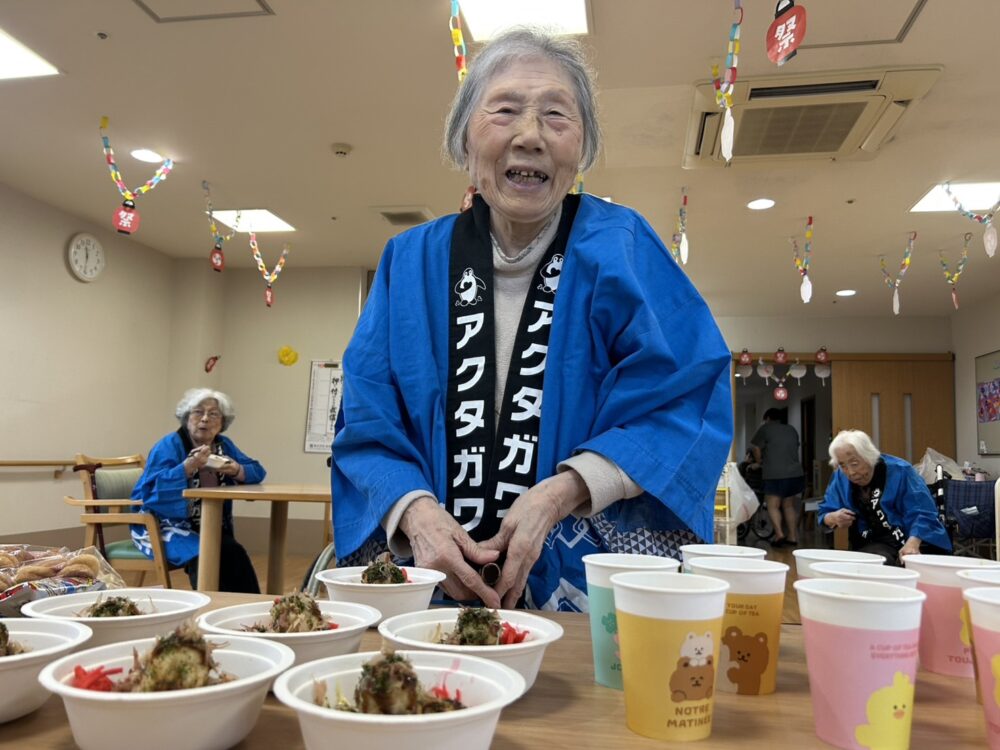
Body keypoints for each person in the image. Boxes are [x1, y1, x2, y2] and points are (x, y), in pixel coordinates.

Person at [330, 28, 732, 612]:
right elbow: (367, 419)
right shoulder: (410, 260)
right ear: (464, 141)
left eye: (555, 115)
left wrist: (562, 492)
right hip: (430, 581)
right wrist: (414, 512)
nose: (530, 135)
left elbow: (685, 396)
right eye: (506, 110)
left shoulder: (623, 247)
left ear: (583, 148)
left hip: (582, 579)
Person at [131, 388, 265, 592]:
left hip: (208, 525)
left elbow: (257, 471)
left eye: (213, 414)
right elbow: (151, 493)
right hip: (162, 525)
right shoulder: (168, 445)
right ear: (186, 417)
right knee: (203, 552)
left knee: (234, 551)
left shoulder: (224, 446)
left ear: (222, 423)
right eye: (198, 412)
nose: (205, 419)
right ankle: (208, 607)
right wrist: (187, 466)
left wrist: (235, 469)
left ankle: (246, 607)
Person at [818, 429, 952, 564]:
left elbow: (923, 511)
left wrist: (913, 542)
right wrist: (832, 517)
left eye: (854, 463)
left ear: (868, 456)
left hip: (916, 538)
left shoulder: (900, 471)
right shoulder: (840, 477)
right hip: (872, 544)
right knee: (868, 563)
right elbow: (825, 513)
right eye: (843, 465)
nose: (850, 472)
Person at [750, 408, 805, 548]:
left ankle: (779, 534)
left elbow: (756, 448)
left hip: (774, 474)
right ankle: (792, 536)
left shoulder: (765, 429)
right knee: (788, 505)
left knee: (772, 505)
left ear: (767, 418)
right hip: (794, 473)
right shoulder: (791, 429)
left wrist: (759, 461)